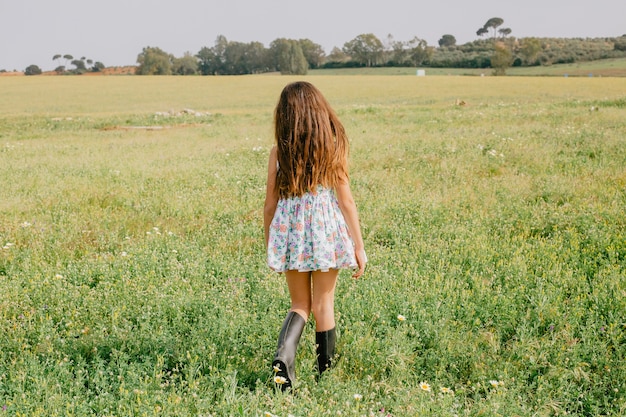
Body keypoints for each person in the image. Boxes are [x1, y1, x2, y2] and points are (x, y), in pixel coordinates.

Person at [263, 81, 367, 391]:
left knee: (299, 304)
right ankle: (326, 379)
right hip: (324, 232)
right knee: (324, 304)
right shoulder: (332, 147)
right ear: (319, 112)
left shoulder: (278, 152)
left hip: (291, 232)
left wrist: (271, 243)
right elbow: (346, 202)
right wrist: (359, 246)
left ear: (286, 116)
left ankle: (284, 355)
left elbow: (270, 205)